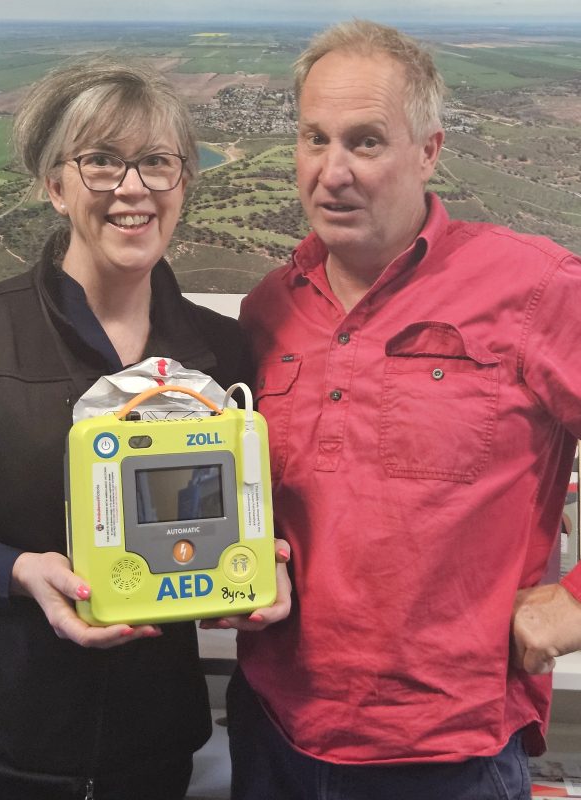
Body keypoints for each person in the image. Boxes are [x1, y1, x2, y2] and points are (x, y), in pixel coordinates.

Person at [227, 19, 581, 800]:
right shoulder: (267, 312)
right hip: (272, 729)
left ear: (430, 151)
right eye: (314, 139)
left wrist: (574, 604)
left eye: (366, 141)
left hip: (449, 754)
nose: (332, 171)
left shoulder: (533, 290)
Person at [0, 56, 289, 800]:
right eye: (101, 162)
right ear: (55, 187)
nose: (132, 188)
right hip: (4, 746)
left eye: (157, 163)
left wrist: (264, 562)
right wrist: (16, 572)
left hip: (153, 750)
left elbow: (244, 518)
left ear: (182, 184)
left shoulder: (223, 352)